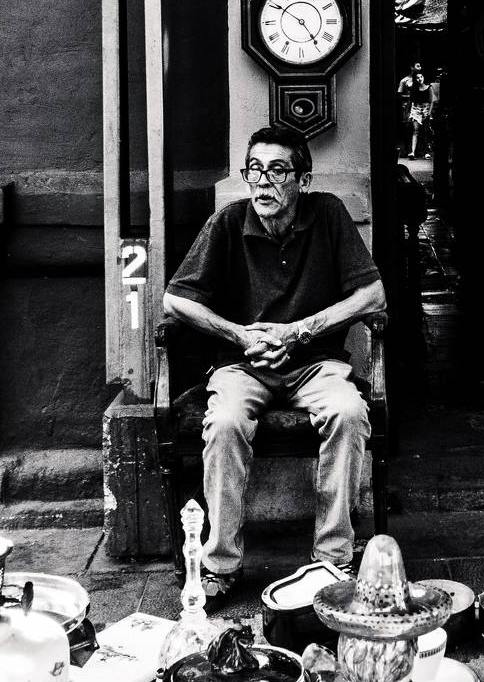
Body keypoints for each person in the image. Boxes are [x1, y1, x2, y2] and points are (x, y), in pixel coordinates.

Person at [163, 125, 387, 607]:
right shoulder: (228, 223)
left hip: (316, 363)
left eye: (278, 171)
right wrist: (241, 335)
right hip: (243, 365)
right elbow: (175, 300)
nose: (263, 182)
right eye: (254, 170)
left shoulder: (327, 214)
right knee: (224, 422)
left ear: (303, 180)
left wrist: (299, 331)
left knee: (349, 412)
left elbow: (373, 295)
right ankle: (220, 564)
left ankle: (333, 559)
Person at [397, 62, 431, 158]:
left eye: (420, 66)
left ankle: (419, 150)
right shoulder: (405, 80)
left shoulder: (421, 80)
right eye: (417, 66)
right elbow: (399, 94)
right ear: (412, 67)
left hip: (419, 106)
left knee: (421, 129)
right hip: (408, 106)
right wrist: (409, 98)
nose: (420, 68)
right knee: (409, 128)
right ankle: (407, 150)